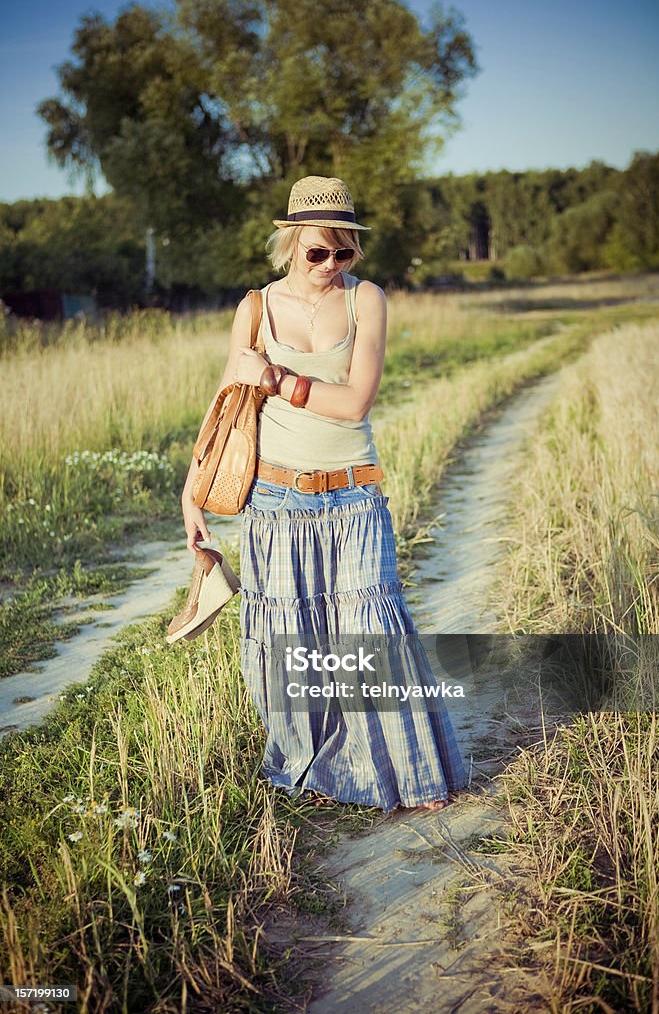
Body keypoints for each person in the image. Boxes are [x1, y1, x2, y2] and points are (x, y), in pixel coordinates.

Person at [180, 175, 467, 812]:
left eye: (344, 253)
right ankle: (310, 770)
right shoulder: (254, 309)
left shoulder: (368, 300)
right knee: (290, 642)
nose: (331, 265)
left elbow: (354, 402)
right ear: (291, 242)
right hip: (274, 500)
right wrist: (192, 492)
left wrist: (277, 378)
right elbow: (226, 408)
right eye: (319, 252)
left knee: (371, 634)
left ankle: (408, 776)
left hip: (354, 496)